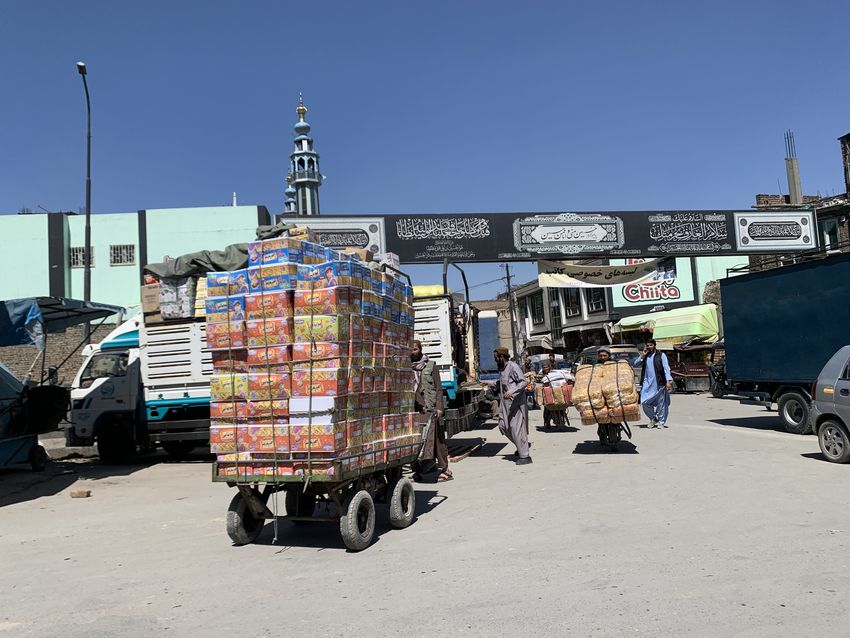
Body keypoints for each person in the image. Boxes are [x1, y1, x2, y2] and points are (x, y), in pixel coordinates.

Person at [411, 340, 452, 482]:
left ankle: (445, 469)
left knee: (438, 441)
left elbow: (438, 388)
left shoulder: (431, 366)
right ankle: (419, 470)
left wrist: (440, 407)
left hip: (431, 409)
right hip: (417, 410)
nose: (413, 352)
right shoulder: (407, 367)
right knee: (419, 442)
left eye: (415, 349)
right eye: (411, 350)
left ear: (420, 349)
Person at [494, 347, 532, 465]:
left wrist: (511, 392)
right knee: (503, 426)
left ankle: (525, 456)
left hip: (516, 403)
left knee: (515, 428)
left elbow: (523, 382)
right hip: (505, 404)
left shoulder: (513, 366)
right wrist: (489, 383)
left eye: (496, 357)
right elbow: (503, 384)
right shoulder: (502, 368)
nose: (495, 360)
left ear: (502, 356)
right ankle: (522, 444)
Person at [637, 339, 673, 428]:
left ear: (654, 345)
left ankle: (661, 422)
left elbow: (666, 368)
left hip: (659, 383)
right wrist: (642, 355)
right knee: (644, 402)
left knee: (662, 403)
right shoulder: (645, 356)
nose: (649, 347)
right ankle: (653, 418)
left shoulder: (661, 355)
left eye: (651, 345)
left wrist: (668, 380)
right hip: (647, 384)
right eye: (647, 345)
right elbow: (635, 363)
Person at [538, 362, 571, 430]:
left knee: (562, 404)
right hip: (548, 393)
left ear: (549, 367)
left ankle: (561, 417)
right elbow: (538, 382)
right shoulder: (541, 374)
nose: (545, 368)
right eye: (544, 367)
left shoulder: (554, 373)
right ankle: (547, 422)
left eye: (547, 367)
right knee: (547, 408)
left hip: (557, 391)